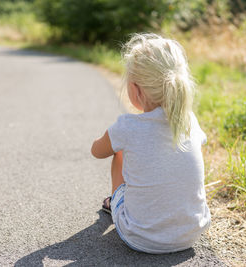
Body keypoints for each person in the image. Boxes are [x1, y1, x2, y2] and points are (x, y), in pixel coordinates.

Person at [90, 33, 211, 254]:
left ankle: (114, 202)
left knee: (119, 153)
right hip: (191, 234)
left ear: (136, 90)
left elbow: (97, 151)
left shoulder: (127, 126)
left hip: (139, 237)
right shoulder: (189, 121)